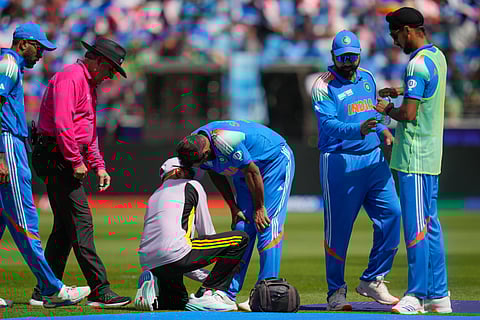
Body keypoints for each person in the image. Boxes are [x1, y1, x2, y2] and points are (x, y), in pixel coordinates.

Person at [29, 37, 131, 307]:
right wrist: (76, 160)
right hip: (57, 155)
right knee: (80, 222)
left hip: (61, 154)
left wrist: (98, 164)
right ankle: (100, 289)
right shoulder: (71, 78)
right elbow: (63, 125)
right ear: (97, 62)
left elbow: (87, 128)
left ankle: (44, 290)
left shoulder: (86, 82)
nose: (110, 76)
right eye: (110, 69)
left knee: (65, 227)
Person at [0, 22, 90, 307]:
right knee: (25, 220)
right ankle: (51, 288)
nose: (41, 54)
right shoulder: (9, 64)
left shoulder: (10, 64)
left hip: (10, 142)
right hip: (7, 145)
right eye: (39, 47)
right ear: (23, 43)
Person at [311, 30, 402, 311]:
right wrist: (357, 130)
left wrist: (383, 128)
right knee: (338, 230)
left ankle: (374, 279)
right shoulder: (322, 85)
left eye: (353, 57)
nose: (349, 63)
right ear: (333, 58)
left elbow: (371, 114)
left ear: (360, 54)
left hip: (373, 159)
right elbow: (327, 125)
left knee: (393, 214)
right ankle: (335, 292)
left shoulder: (368, 76)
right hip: (339, 160)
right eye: (343, 58)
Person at [375, 7, 452, 314]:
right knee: (429, 225)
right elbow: (425, 92)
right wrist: (399, 91)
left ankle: (416, 296)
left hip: (414, 158)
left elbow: (408, 113)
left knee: (416, 228)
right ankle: (439, 295)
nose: (394, 41)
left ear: (408, 30)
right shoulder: (437, 57)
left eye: (395, 34)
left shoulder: (416, 64)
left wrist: (384, 109)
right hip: (429, 155)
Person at [176, 120, 295, 311]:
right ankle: (226, 293)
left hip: (272, 162)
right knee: (241, 229)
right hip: (244, 168)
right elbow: (215, 172)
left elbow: (253, 171)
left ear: (205, 152)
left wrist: (259, 208)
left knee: (267, 225)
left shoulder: (225, 140)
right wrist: (233, 207)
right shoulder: (193, 142)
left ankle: (266, 293)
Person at [134, 157, 249, 312]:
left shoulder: (154, 196)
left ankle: (154, 288)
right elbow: (207, 233)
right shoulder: (191, 185)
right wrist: (222, 273)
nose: (193, 176)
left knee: (178, 303)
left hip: (148, 262)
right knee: (240, 239)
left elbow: (180, 254)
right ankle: (208, 295)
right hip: (175, 254)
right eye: (190, 172)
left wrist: (208, 276)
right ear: (177, 171)